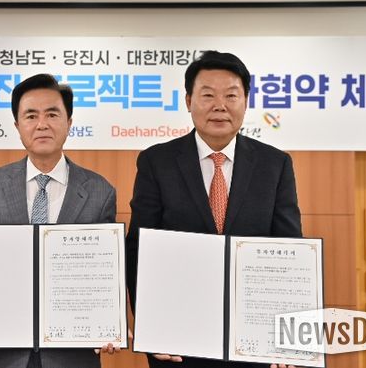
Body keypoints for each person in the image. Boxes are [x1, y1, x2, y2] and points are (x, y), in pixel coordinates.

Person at [125, 51, 302, 368]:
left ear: (245, 101)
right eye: (208, 95)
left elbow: (289, 249)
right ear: (188, 101)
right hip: (178, 340)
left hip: (253, 341)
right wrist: (151, 328)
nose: (220, 105)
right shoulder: (157, 162)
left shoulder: (275, 165)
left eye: (231, 95)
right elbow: (139, 248)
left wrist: (288, 338)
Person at [0, 73, 118, 368]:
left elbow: (105, 274)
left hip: (71, 356)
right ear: (18, 126)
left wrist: (109, 323)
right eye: (31, 116)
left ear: (69, 122)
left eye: (52, 114)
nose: (42, 124)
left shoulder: (100, 191)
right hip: (6, 353)